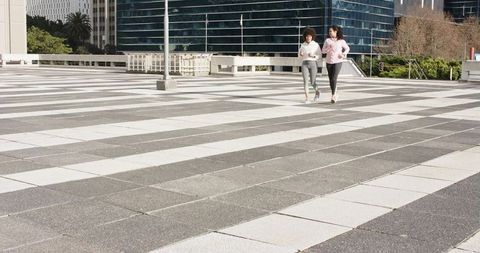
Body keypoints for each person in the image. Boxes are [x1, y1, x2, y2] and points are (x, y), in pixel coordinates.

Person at [322, 25, 350, 103]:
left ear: (336, 31)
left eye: (331, 31)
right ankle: (334, 92)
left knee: (334, 78)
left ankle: (333, 95)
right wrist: (328, 48)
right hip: (329, 61)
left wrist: (343, 54)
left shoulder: (341, 41)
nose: (330, 33)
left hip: (338, 61)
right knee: (331, 79)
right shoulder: (327, 41)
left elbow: (347, 48)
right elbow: (323, 51)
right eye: (329, 31)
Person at [298, 27, 322, 104]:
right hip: (304, 63)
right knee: (305, 81)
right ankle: (307, 98)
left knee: (312, 82)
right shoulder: (303, 45)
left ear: (312, 37)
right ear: (305, 37)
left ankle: (317, 92)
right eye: (307, 36)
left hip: (313, 64)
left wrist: (313, 56)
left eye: (310, 36)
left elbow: (319, 56)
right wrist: (300, 54)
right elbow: (299, 55)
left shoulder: (316, 45)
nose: (308, 38)